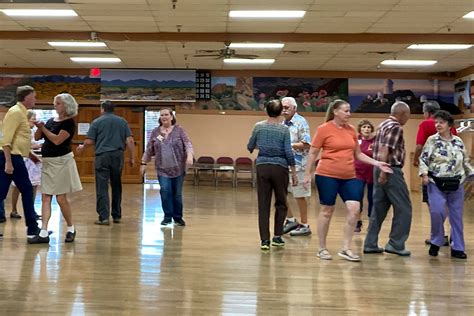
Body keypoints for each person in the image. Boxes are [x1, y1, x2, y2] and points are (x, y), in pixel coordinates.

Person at [303, 99, 391, 262]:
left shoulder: (351, 130)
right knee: (327, 210)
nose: (349, 114)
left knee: (354, 209)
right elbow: (313, 153)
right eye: (346, 111)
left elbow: (358, 154)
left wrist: (377, 163)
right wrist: (307, 174)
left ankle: (346, 248)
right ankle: (322, 248)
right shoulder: (324, 129)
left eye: (349, 111)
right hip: (327, 174)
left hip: (349, 176)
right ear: (336, 112)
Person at [419, 110, 473, 259]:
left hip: (456, 183)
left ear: (449, 125)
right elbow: (423, 159)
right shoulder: (432, 140)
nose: (438, 125)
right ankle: (436, 241)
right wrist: (424, 174)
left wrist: (471, 173)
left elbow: (465, 161)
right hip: (436, 182)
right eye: (436, 122)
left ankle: (458, 248)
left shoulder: (458, 141)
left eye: (441, 122)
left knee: (456, 217)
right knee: (437, 212)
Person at [28, 93, 82, 244]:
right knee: (46, 196)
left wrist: (44, 129)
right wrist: (40, 127)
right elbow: (38, 137)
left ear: (66, 105)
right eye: (55, 103)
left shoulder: (69, 123)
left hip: (62, 162)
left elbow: (57, 140)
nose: (55, 105)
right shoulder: (51, 120)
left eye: (58, 103)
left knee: (60, 198)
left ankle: (71, 228)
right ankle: (44, 232)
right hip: (49, 162)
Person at [364, 101, 412, 256]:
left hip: (377, 169)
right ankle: (396, 244)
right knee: (404, 208)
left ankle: (370, 243)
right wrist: (385, 171)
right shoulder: (395, 127)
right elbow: (386, 148)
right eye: (408, 115)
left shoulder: (383, 124)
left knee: (378, 208)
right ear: (402, 113)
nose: (408, 118)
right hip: (390, 170)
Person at [248, 100, 297, 251]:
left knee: (263, 204)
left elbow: (250, 146)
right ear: (281, 111)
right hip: (280, 168)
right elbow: (288, 152)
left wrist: (262, 145)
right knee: (281, 202)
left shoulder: (258, 126)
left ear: (266, 111)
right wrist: (294, 171)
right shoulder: (283, 130)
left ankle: (264, 241)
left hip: (262, 166)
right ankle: (277, 236)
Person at [77, 100, 135, 225]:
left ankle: (104, 217)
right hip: (118, 155)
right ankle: (117, 215)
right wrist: (132, 158)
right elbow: (129, 141)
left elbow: (90, 141)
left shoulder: (97, 122)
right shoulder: (122, 121)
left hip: (102, 156)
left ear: (102, 109)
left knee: (102, 186)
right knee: (116, 185)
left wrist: (82, 147)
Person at [140, 108, 194, 226]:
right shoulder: (156, 132)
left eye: (166, 114)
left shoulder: (179, 130)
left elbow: (188, 144)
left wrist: (190, 156)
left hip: (178, 168)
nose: (164, 117)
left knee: (177, 194)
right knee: (165, 192)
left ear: (171, 117)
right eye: (162, 115)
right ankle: (167, 216)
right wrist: (143, 163)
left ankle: (178, 217)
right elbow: (149, 149)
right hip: (162, 169)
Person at [413, 101, 457, 246]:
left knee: (434, 204)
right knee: (451, 205)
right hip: (451, 171)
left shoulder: (425, 124)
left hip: (433, 171)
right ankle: (453, 236)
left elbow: (419, 146)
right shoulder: (450, 126)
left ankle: (439, 236)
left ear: (427, 112)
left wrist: (416, 161)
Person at [0, 85, 40, 240]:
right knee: (27, 190)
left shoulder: (22, 113)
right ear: (27, 97)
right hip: (10, 157)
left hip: (16, 157)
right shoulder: (15, 112)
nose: (35, 99)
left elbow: (20, 140)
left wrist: (30, 155)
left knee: (2, 192)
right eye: (34, 96)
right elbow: (6, 139)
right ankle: (32, 229)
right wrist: (8, 163)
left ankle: (32, 228)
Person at [281, 97, 312, 236]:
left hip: (298, 165)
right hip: (284, 164)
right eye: (282, 107)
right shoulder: (282, 123)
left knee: (299, 195)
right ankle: (291, 220)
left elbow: (306, 144)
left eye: (287, 107)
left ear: (294, 108)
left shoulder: (301, 122)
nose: (284, 110)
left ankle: (305, 225)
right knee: (281, 194)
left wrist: (288, 145)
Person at [10, 110, 43, 220]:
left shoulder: (33, 131)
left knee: (33, 186)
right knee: (17, 187)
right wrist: (34, 151)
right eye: (32, 118)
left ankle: (31, 211)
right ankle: (14, 210)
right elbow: (26, 146)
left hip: (33, 162)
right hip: (24, 159)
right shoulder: (22, 131)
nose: (34, 120)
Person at [354, 119, 375, 233]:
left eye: (368, 127)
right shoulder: (356, 141)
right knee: (357, 197)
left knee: (372, 198)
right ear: (360, 129)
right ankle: (358, 221)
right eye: (364, 127)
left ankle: (371, 222)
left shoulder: (375, 141)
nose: (366, 129)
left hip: (371, 173)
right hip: (358, 172)